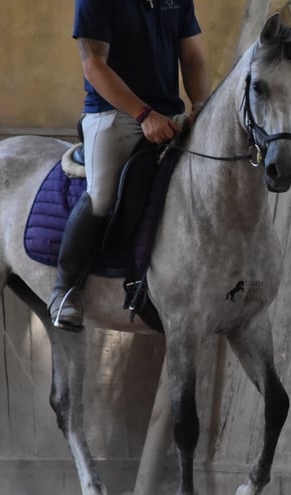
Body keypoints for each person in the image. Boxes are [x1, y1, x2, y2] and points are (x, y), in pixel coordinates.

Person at [48, 0, 211, 330]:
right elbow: (94, 65)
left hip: (169, 114)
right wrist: (144, 114)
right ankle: (65, 291)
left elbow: (192, 59)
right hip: (113, 114)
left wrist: (202, 104)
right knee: (103, 196)